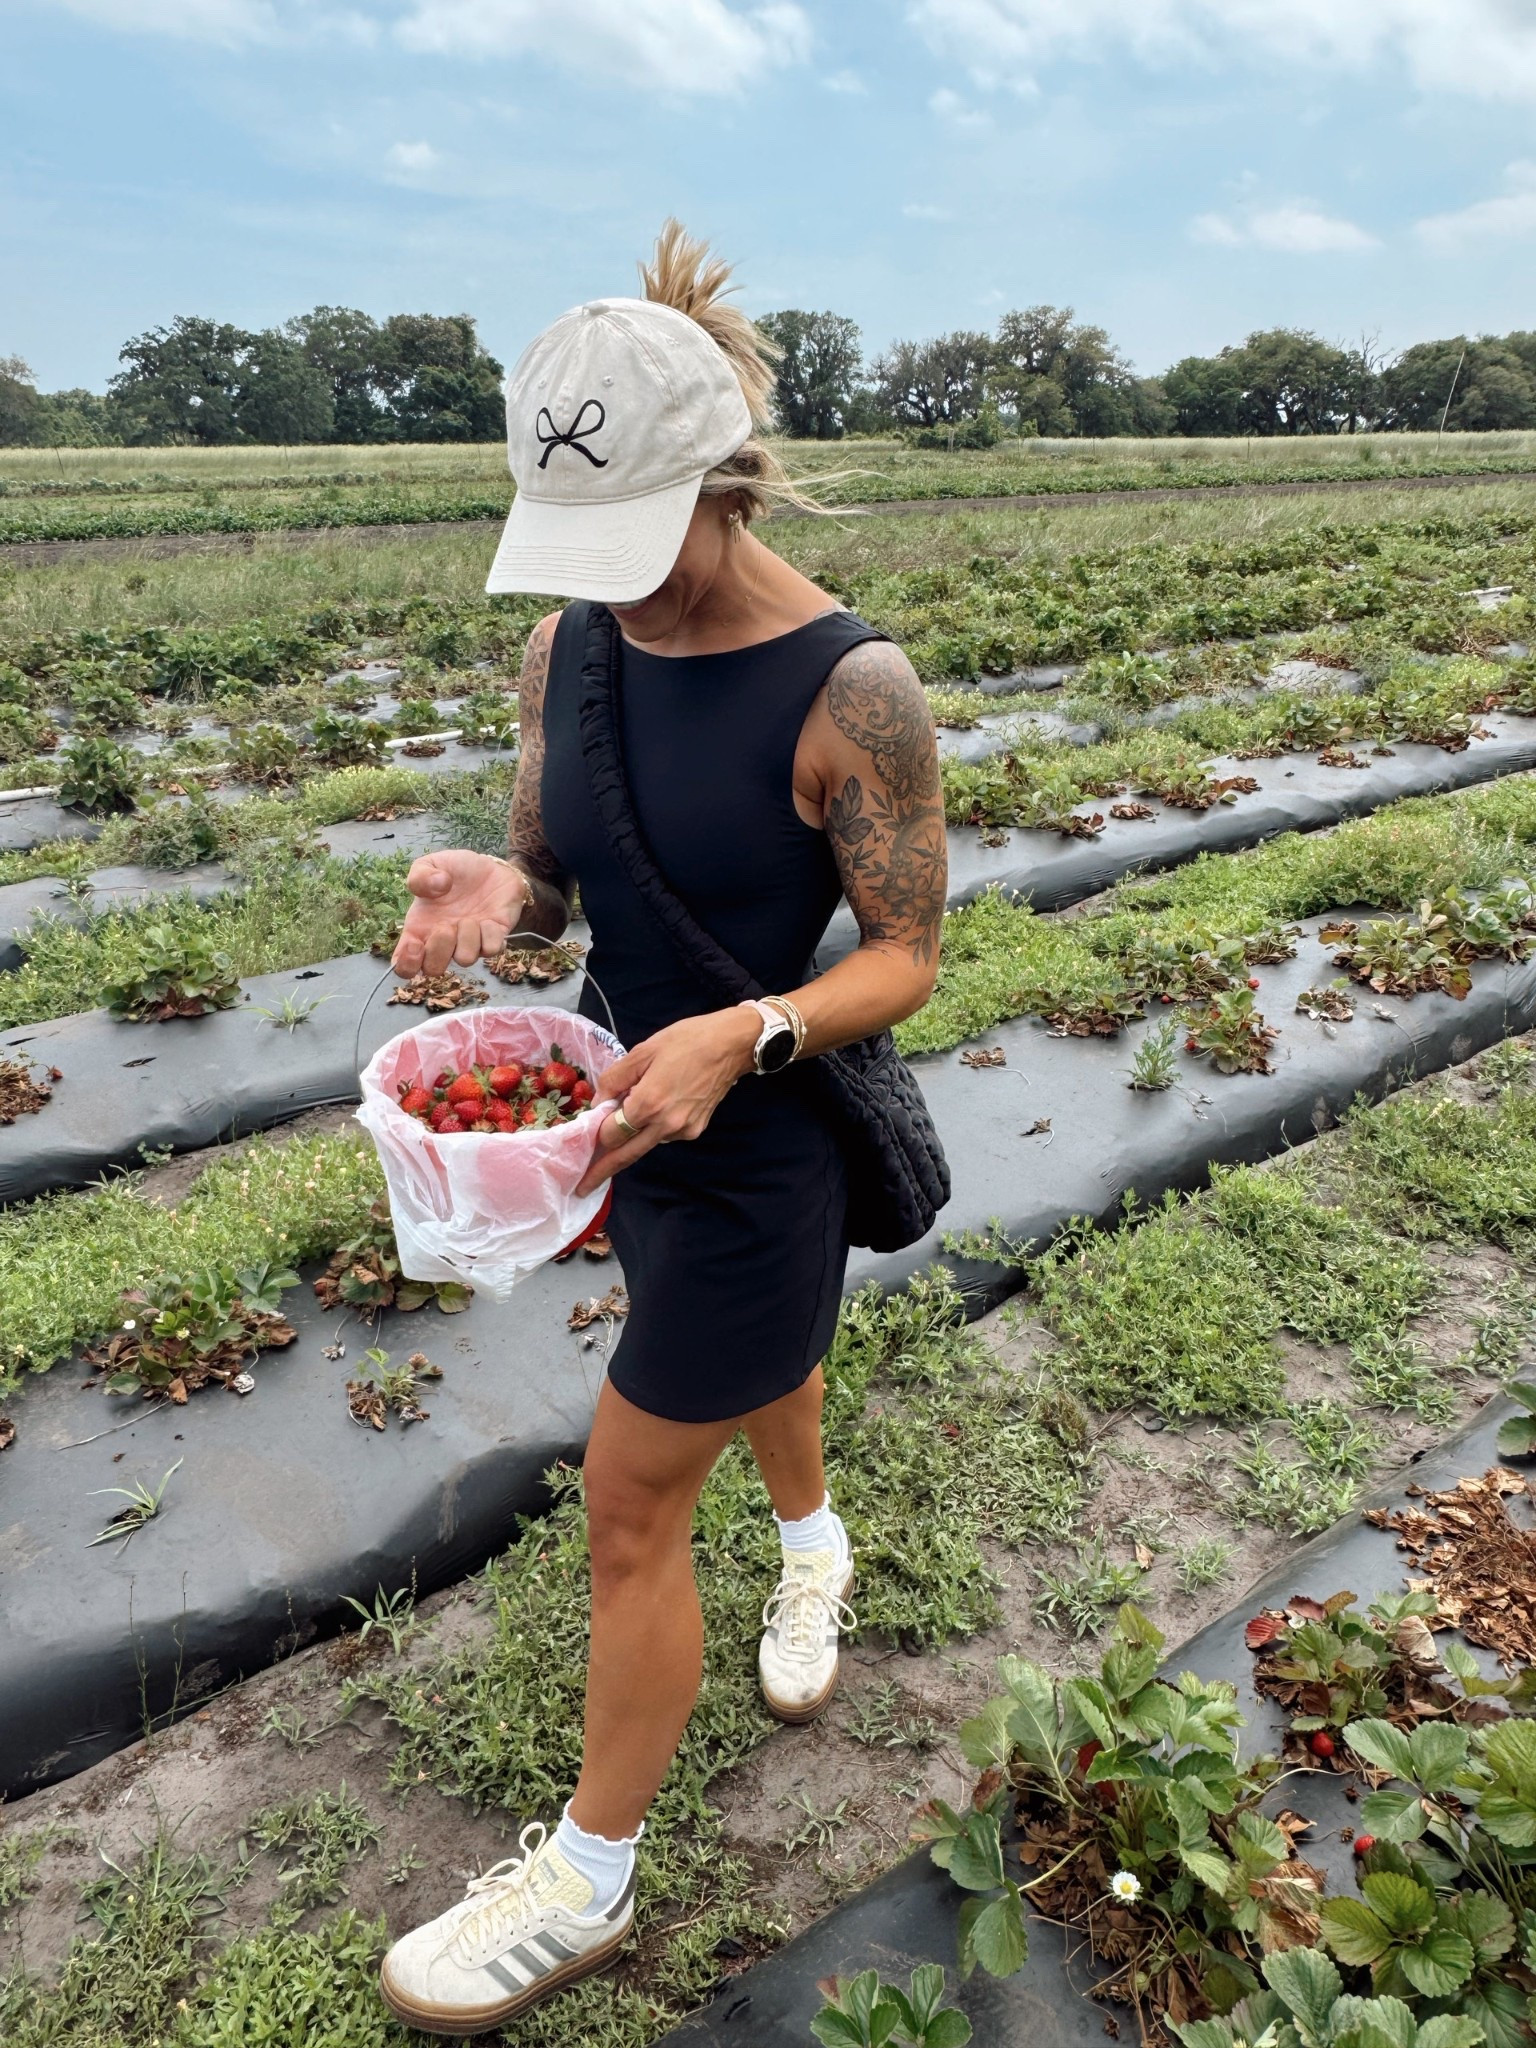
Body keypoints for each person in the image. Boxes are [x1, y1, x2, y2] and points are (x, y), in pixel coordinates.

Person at [378, 221, 947, 2036]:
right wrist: (500, 897)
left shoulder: (856, 691)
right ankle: (816, 1546)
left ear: (722, 485)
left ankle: (586, 1881)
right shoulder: (573, 651)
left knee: (629, 1505)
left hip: (761, 1133)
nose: (612, 593)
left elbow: (910, 958)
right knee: (758, 1375)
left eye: (637, 547)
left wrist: (751, 1030)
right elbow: (562, 881)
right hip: (630, 1112)